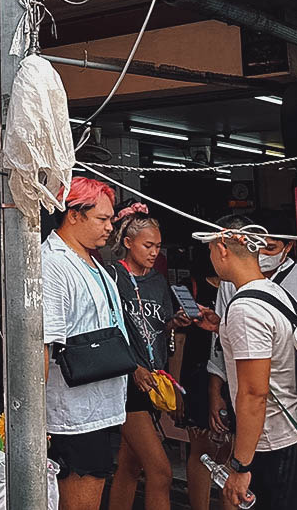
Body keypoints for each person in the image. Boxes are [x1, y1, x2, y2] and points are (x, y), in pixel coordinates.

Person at [207, 211, 297, 510]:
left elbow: (254, 394)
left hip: (272, 441)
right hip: (295, 431)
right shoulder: (273, 293)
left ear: (222, 248)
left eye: (209, 249)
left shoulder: (247, 308)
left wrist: (241, 465)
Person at [42, 177, 135, 510]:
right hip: (72, 413)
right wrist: (34, 421)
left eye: (111, 219)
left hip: (100, 405)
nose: (111, 227)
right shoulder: (52, 264)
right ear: (73, 215)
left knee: (93, 486)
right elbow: (43, 344)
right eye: (103, 219)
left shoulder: (93, 261)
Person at [105, 205, 204, 510]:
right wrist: (132, 366)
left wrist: (174, 323)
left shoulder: (159, 282)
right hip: (126, 383)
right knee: (160, 471)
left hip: (154, 381)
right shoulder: (111, 277)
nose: (154, 253)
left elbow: (158, 328)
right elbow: (107, 330)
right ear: (128, 242)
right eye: (148, 246)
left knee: (130, 466)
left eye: (158, 246)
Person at [174, 245, 230, 510]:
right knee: (202, 449)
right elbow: (180, 339)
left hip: (230, 376)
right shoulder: (190, 286)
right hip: (197, 376)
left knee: (229, 449)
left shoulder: (240, 286)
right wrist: (176, 386)